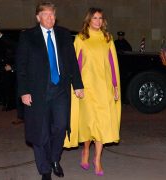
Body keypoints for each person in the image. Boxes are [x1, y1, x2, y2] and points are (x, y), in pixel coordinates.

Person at [15, 2, 84, 180]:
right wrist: (24, 91)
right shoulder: (28, 36)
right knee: (40, 131)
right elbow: (21, 66)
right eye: (45, 15)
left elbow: (72, 62)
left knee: (61, 126)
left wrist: (77, 84)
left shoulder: (63, 34)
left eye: (52, 15)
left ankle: (54, 159)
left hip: (60, 89)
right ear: (38, 17)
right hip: (37, 91)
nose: (49, 18)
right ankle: (45, 170)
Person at [63, 7, 121, 176]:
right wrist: (75, 86)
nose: (98, 21)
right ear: (88, 20)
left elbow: (112, 64)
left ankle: (97, 159)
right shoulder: (81, 38)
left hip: (104, 88)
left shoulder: (107, 38)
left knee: (102, 123)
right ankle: (86, 151)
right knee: (89, 123)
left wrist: (115, 87)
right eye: (94, 18)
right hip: (87, 88)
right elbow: (76, 64)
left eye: (100, 18)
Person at [0, 21, 16, 111]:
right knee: (1, 85)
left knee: (7, 85)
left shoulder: (2, 38)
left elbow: (9, 48)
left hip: (4, 65)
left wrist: (6, 62)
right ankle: (4, 102)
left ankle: (8, 104)